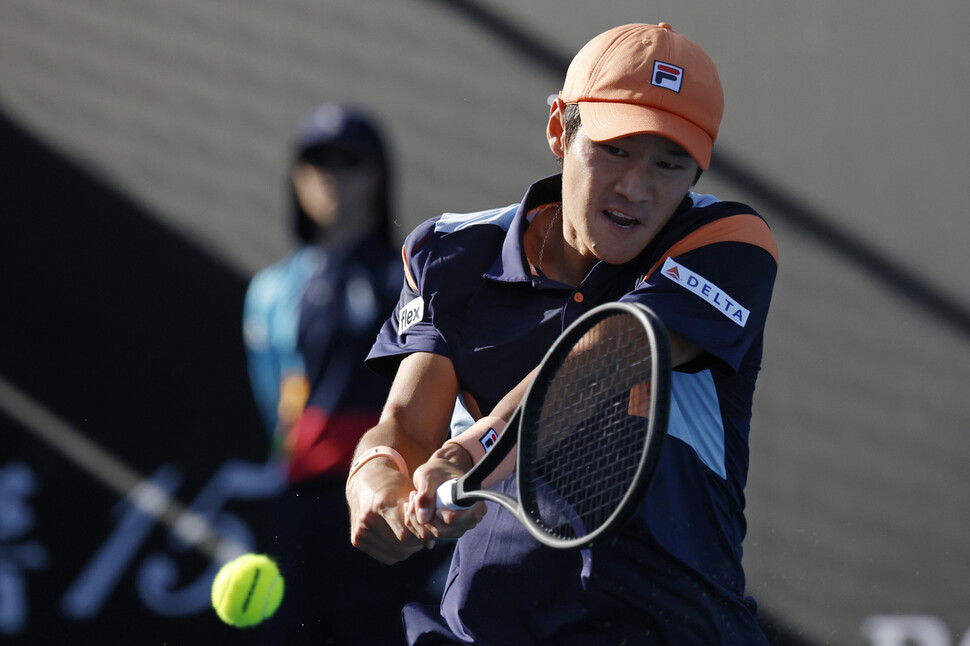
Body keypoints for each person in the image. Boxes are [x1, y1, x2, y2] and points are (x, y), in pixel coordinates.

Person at [345, 22, 779, 645]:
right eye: (616, 149)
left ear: (696, 174)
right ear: (559, 128)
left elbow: (613, 352)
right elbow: (407, 428)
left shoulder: (728, 244)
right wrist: (377, 479)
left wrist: (468, 455)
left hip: (671, 630)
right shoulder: (452, 251)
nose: (636, 186)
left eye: (669, 163)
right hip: (486, 628)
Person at [243, 103, 447, 645]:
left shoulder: (412, 271)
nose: (332, 177)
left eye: (350, 161)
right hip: (302, 504)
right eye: (317, 162)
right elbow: (277, 404)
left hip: (385, 498)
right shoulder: (271, 291)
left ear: (378, 175)